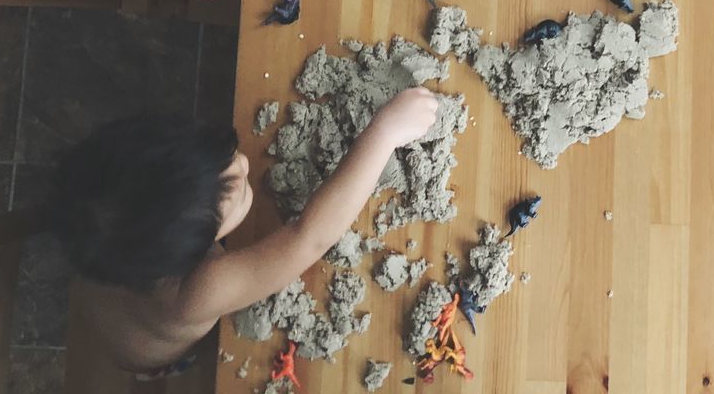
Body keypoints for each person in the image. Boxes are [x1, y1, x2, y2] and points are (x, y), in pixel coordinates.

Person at [46, 87, 439, 375]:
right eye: (228, 196)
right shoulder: (198, 292)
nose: (243, 166)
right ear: (186, 253)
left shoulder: (107, 205)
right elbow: (309, 237)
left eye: (219, 155)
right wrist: (385, 132)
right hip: (149, 356)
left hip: (99, 290)